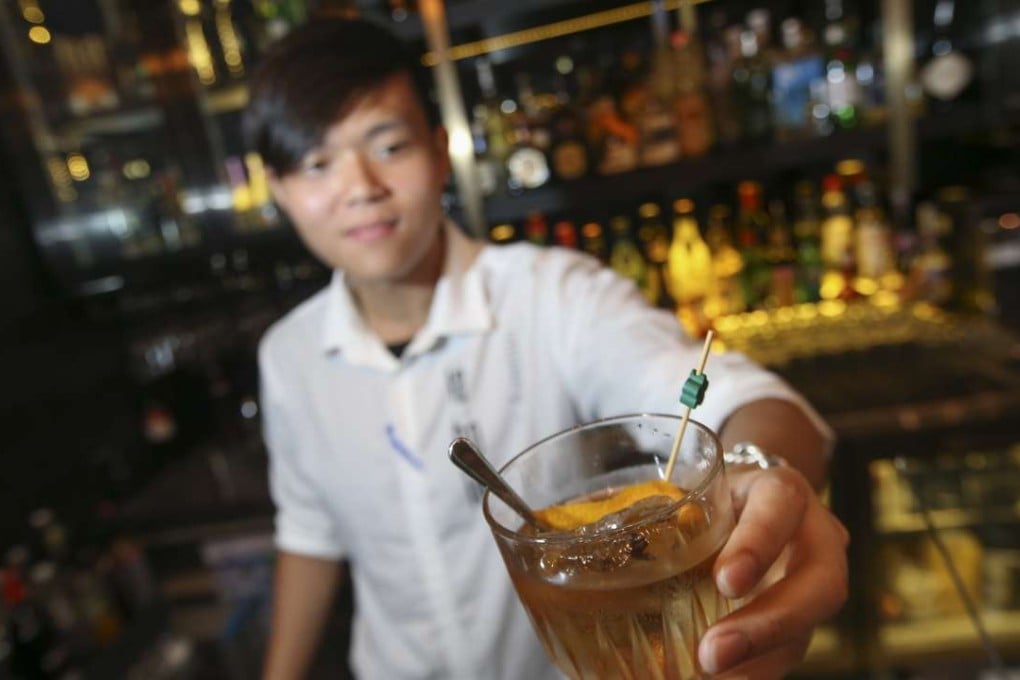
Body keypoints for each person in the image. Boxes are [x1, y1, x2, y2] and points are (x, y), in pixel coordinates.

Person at [245, 17, 848, 680]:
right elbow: (309, 539)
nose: (359, 187)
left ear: (441, 152)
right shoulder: (288, 356)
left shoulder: (551, 294)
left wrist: (753, 473)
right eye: (316, 163)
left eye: (387, 146)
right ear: (279, 189)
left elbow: (753, 401)